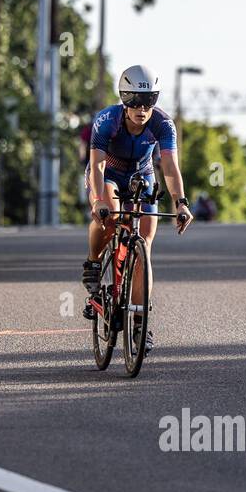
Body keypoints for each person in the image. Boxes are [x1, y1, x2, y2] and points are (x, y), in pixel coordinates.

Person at [81, 64, 193, 349]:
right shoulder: (107, 120)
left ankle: (141, 324)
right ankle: (93, 263)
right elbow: (97, 165)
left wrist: (180, 203)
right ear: (124, 99)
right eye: (134, 101)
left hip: (142, 175)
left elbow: (169, 166)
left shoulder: (163, 124)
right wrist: (98, 200)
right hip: (108, 173)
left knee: (145, 245)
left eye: (148, 101)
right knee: (110, 215)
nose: (141, 109)